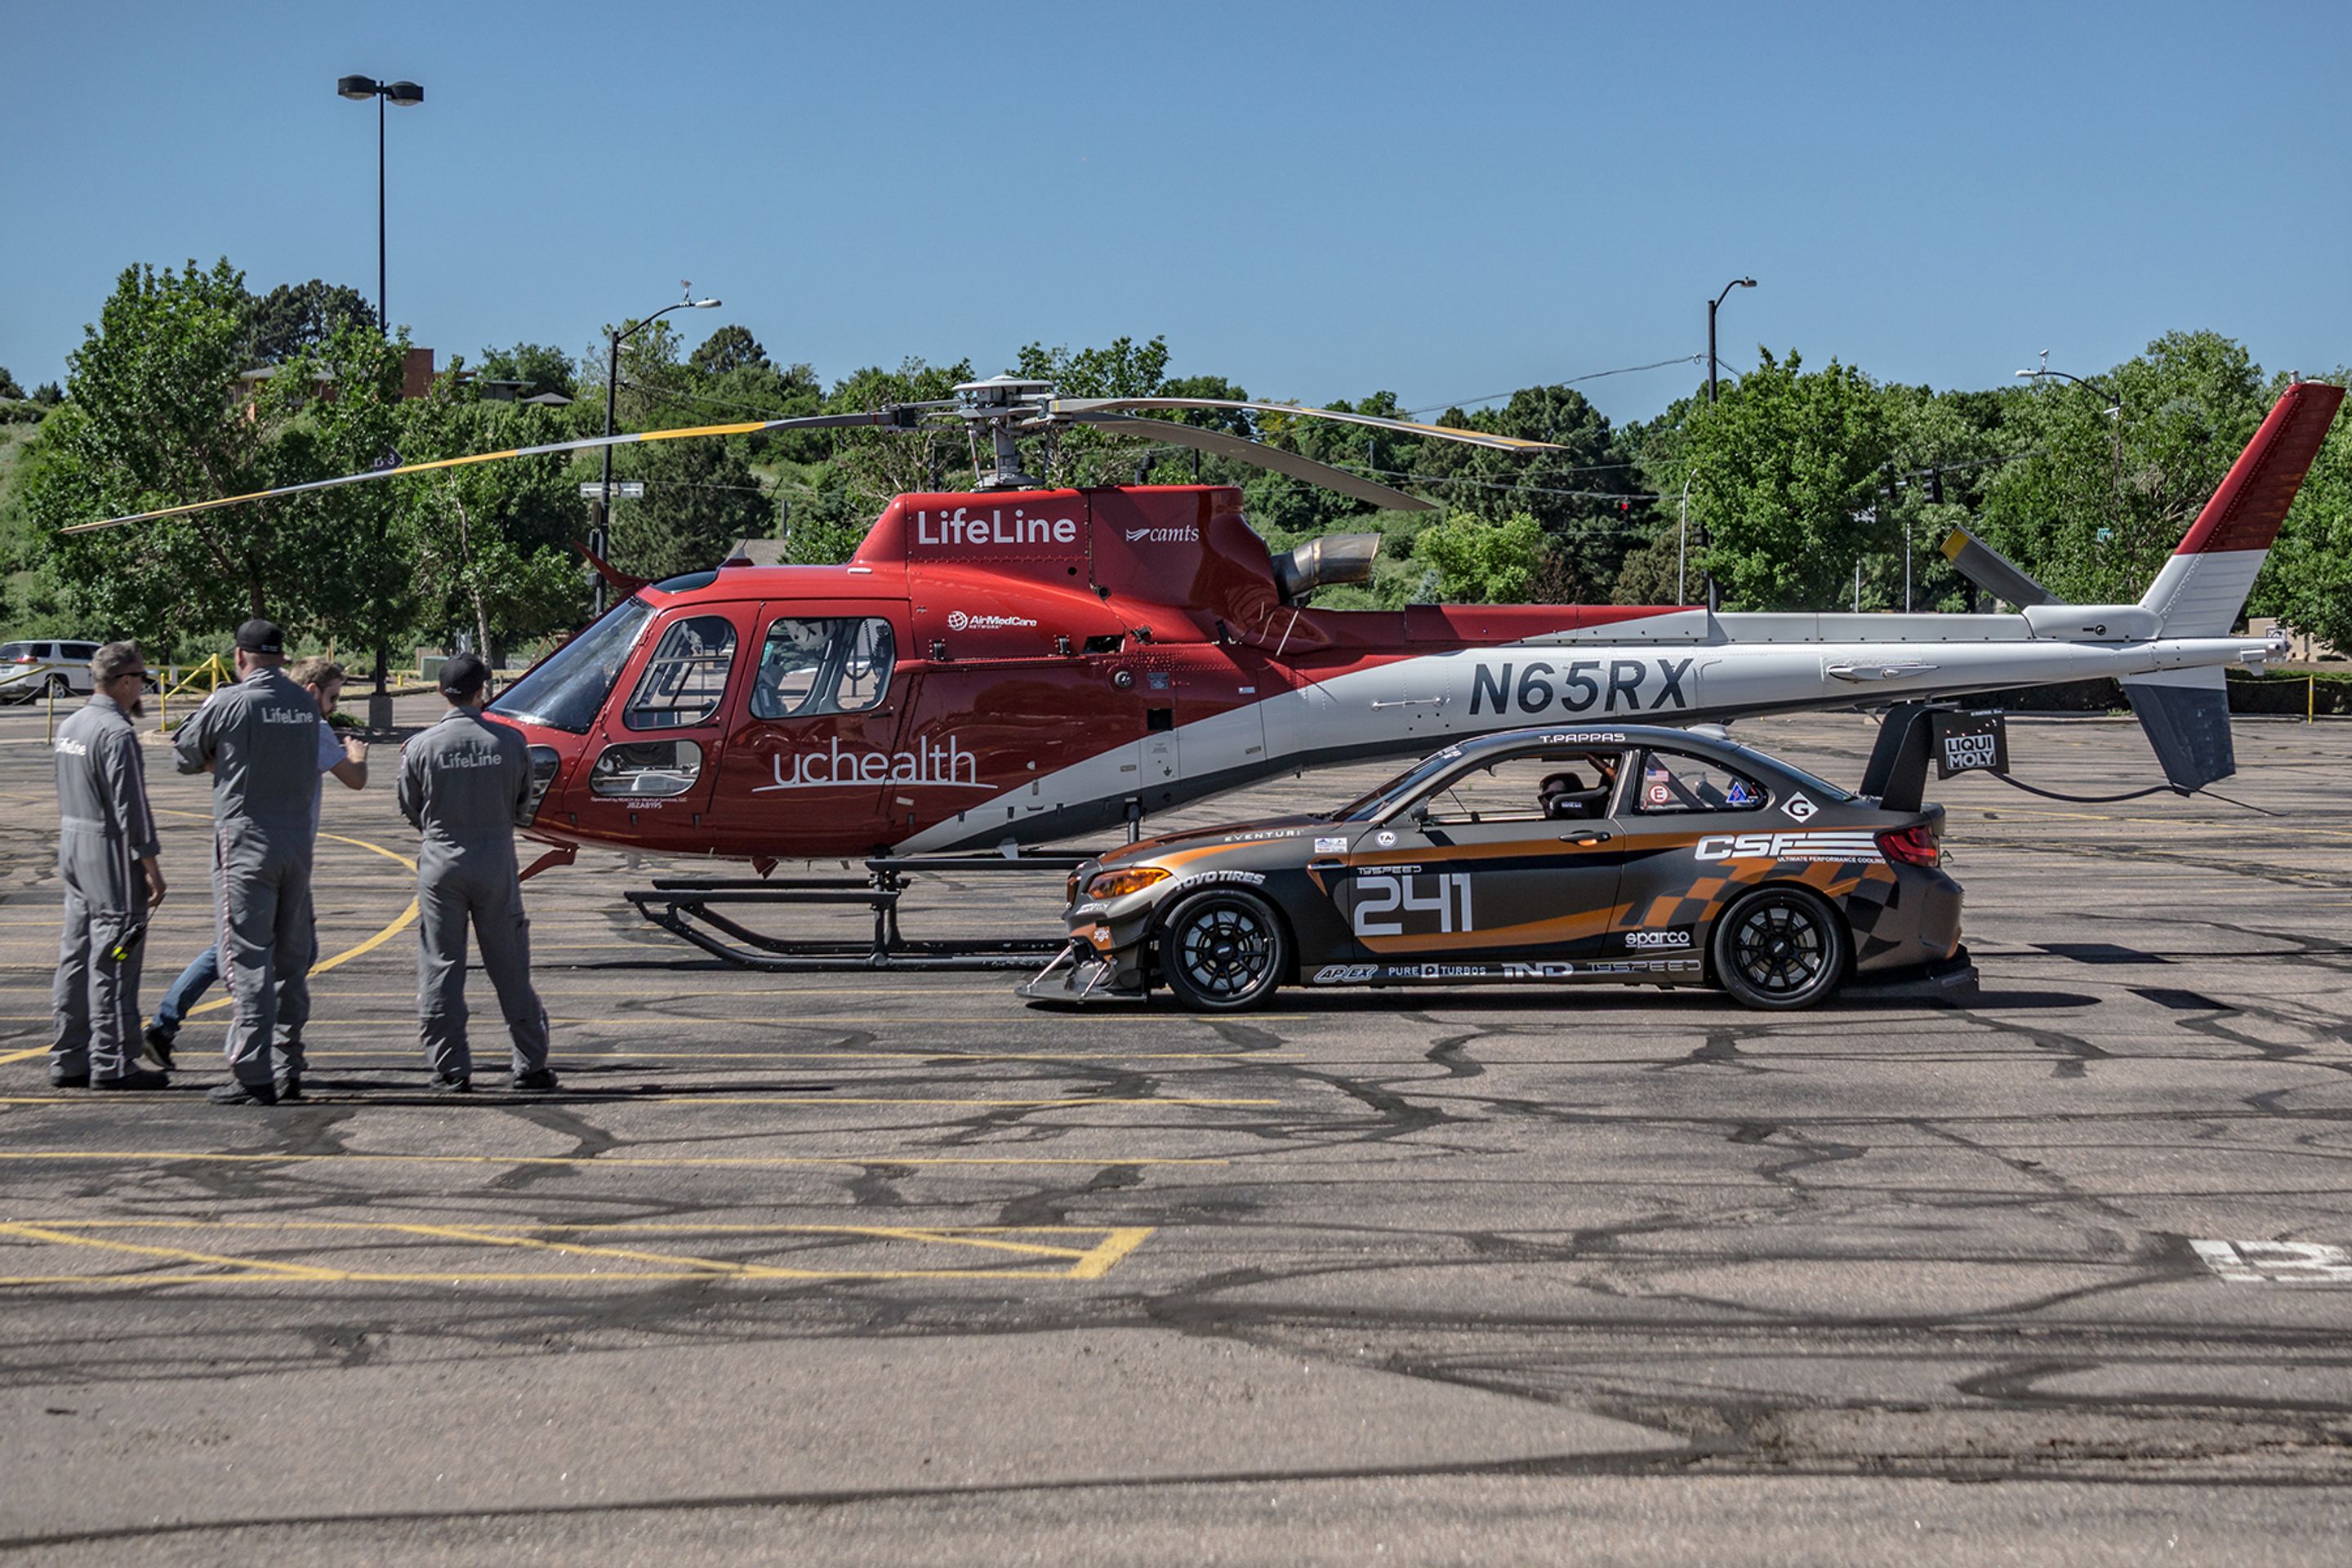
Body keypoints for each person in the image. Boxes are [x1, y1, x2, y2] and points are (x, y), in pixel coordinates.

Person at [144, 655, 367, 1084]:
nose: (335, 707)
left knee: (238, 948)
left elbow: (206, 753)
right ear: (312, 691)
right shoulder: (311, 724)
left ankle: (170, 1026)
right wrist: (355, 754)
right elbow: (354, 779)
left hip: (265, 850)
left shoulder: (272, 715)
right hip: (281, 850)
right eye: (334, 697)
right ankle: (261, 1059)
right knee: (265, 953)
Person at [172, 619, 322, 1106]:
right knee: (291, 961)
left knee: (247, 958)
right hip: (297, 844)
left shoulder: (227, 701)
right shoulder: (305, 702)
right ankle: (289, 1062)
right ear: (281, 658)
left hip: (246, 843)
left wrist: (226, 757)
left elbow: (186, 753)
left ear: (239, 658)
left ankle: (252, 1071)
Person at [397, 653, 555, 1093]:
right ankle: (530, 1063)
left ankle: (450, 1067)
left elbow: (411, 806)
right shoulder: (509, 742)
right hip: (494, 858)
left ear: (439, 691)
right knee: (509, 964)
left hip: (441, 860)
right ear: (481, 691)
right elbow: (523, 804)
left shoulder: (422, 746)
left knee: (441, 965)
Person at [51, 641, 170, 1091]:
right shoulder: (116, 733)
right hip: (109, 852)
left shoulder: (72, 724)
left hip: (74, 845)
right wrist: (151, 865)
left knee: (76, 955)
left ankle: (69, 1055)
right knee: (117, 954)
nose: (142, 688)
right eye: (140, 679)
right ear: (124, 682)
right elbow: (132, 808)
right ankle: (114, 1059)